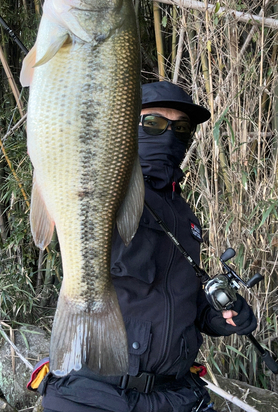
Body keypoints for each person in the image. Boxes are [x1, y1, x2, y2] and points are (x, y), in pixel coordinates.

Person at [37, 81, 257, 412]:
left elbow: (180, 300)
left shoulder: (186, 216)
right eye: (153, 123)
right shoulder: (103, 190)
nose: (169, 135)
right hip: (94, 394)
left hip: (177, 395)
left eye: (181, 127)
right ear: (126, 125)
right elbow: (61, 149)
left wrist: (220, 315)